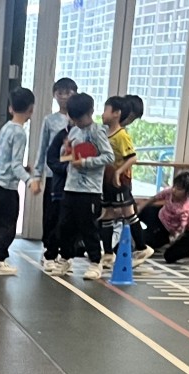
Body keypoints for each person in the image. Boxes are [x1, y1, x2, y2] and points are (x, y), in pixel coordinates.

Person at [0, 85, 36, 277]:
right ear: (31, 110)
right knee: (8, 225)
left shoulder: (5, 128)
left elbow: (4, 158)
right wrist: (30, 180)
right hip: (7, 187)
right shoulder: (20, 133)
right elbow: (15, 165)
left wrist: (21, 169)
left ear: (11, 108)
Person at [53, 92, 111, 279]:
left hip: (90, 190)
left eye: (80, 118)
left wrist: (85, 162)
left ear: (91, 112)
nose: (77, 122)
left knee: (88, 227)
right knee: (65, 226)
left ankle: (95, 262)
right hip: (70, 187)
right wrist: (66, 150)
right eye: (74, 119)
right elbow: (66, 157)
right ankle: (65, 258)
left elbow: (109, 157)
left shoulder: (98, 132)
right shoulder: (74, 131)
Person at [36, 78, 75, 268]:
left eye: (68, 92)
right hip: (54, 175)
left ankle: (66, 253)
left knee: (68, 216)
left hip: (74, 177)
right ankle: (49, 250)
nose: (64, 97)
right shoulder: (50, 120)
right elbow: (43, 148)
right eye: (60, 93)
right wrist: (37, 174)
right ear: (54, 95)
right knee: (51, 214)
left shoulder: (80, 121)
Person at [95, 95, 136, 268]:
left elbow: (132, 157)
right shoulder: (104, 133)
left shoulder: (121, 135)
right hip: (107, 181)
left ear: (116, 113)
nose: (103, 114)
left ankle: (142, 247)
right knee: (107, 214)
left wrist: (119, 171)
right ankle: (108, 253)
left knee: (128, 212)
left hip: (119, 181)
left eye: (106, 110)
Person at [136, 171, 189, 257]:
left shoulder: (185, 209)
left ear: (187, 193)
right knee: (138, 212)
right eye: (174, 186)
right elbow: (155, 198)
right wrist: (141, 207)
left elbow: (183, 228)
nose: (174, 190)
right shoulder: (169, 191)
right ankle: (129, 226)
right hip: (159, 215)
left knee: (144, 239)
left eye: (179, 189)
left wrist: (175, 238)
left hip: (165, 229)